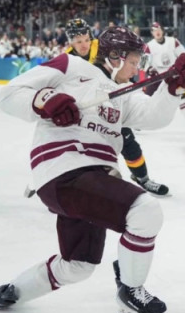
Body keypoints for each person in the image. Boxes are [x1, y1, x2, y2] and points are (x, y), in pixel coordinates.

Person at [0, 26, 185, 313]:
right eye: (133, 61)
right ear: (115, 56)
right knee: (144, 211)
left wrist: (174, 86)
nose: (137, 68)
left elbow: (153, 116)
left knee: (78, 266)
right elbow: (9, 94)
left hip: (89, 181)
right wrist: (45, 100)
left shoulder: (122, 94)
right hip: (63, 169)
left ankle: (13, 291)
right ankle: (130, 293)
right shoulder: (71, 66)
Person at [64, 18, 170, 196]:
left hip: (113, 103)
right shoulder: (68, 60)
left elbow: (128, 56)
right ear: (70, 41)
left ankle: (143, 178)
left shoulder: (102, 46)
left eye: (86, 39)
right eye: (78, 41)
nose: (84, 45)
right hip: (89, 111)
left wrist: (146, 68)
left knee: (127, 141)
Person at [145, 22, 185, 131]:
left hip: (173, 74)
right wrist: (148, 69)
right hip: (158, 75)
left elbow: (184, 55)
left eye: (158, 29)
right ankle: (141, 122)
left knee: (181, 97)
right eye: (154, 31)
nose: (157, 32)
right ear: (152, 33)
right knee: (148, 100)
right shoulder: (149, 46)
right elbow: (144, 62)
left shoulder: (173, 41)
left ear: (162, 30)